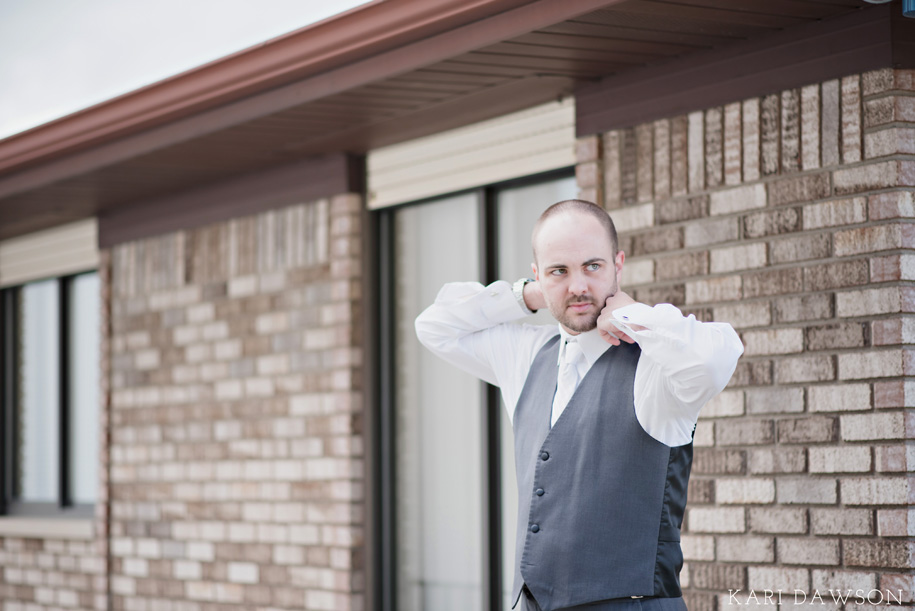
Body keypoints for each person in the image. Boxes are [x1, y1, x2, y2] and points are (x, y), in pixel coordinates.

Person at [415, 200, 744, 611]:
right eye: (559, 271)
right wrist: (529, 297)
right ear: (537, 275)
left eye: (593, 267)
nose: (578, 287)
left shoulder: (655, 368)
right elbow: (434, 326)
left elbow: (715, 356)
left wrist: (630, 315)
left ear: (618, 265)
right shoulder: (527, 355)